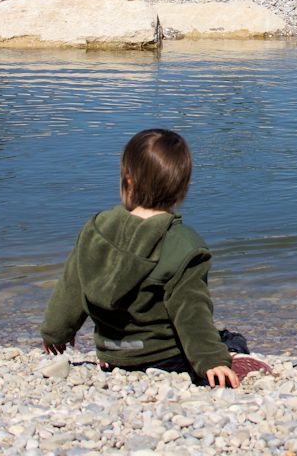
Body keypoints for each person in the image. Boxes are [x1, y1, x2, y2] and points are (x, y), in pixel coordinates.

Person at [40, 128, 248, 388]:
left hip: (112, 354)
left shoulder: (96, 229)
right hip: (165, 359)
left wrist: (55, 333)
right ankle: (231, 355)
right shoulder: (185, 246)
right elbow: (191, 312)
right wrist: (210, 360)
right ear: (183, 189)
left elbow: (71, 288)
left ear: (128, 181)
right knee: (231, 339)